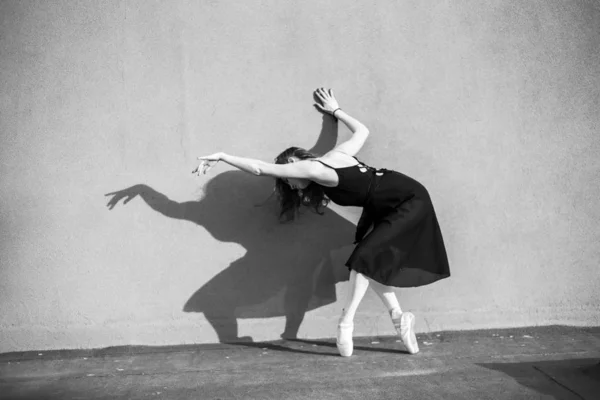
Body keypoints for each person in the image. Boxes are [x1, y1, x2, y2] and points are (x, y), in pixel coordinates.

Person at [193, 88, 451, 357]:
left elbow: (260, 168)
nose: (290, 183)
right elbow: (362, 132)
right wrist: (336, 112)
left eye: (289, 175)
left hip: (407, 200)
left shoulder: (315, 168)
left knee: (363, 259)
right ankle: (399, 318)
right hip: (390, 202)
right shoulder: (334, 157)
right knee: (369, 263)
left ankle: (345, 323)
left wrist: (223, 156)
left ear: (295, 162)